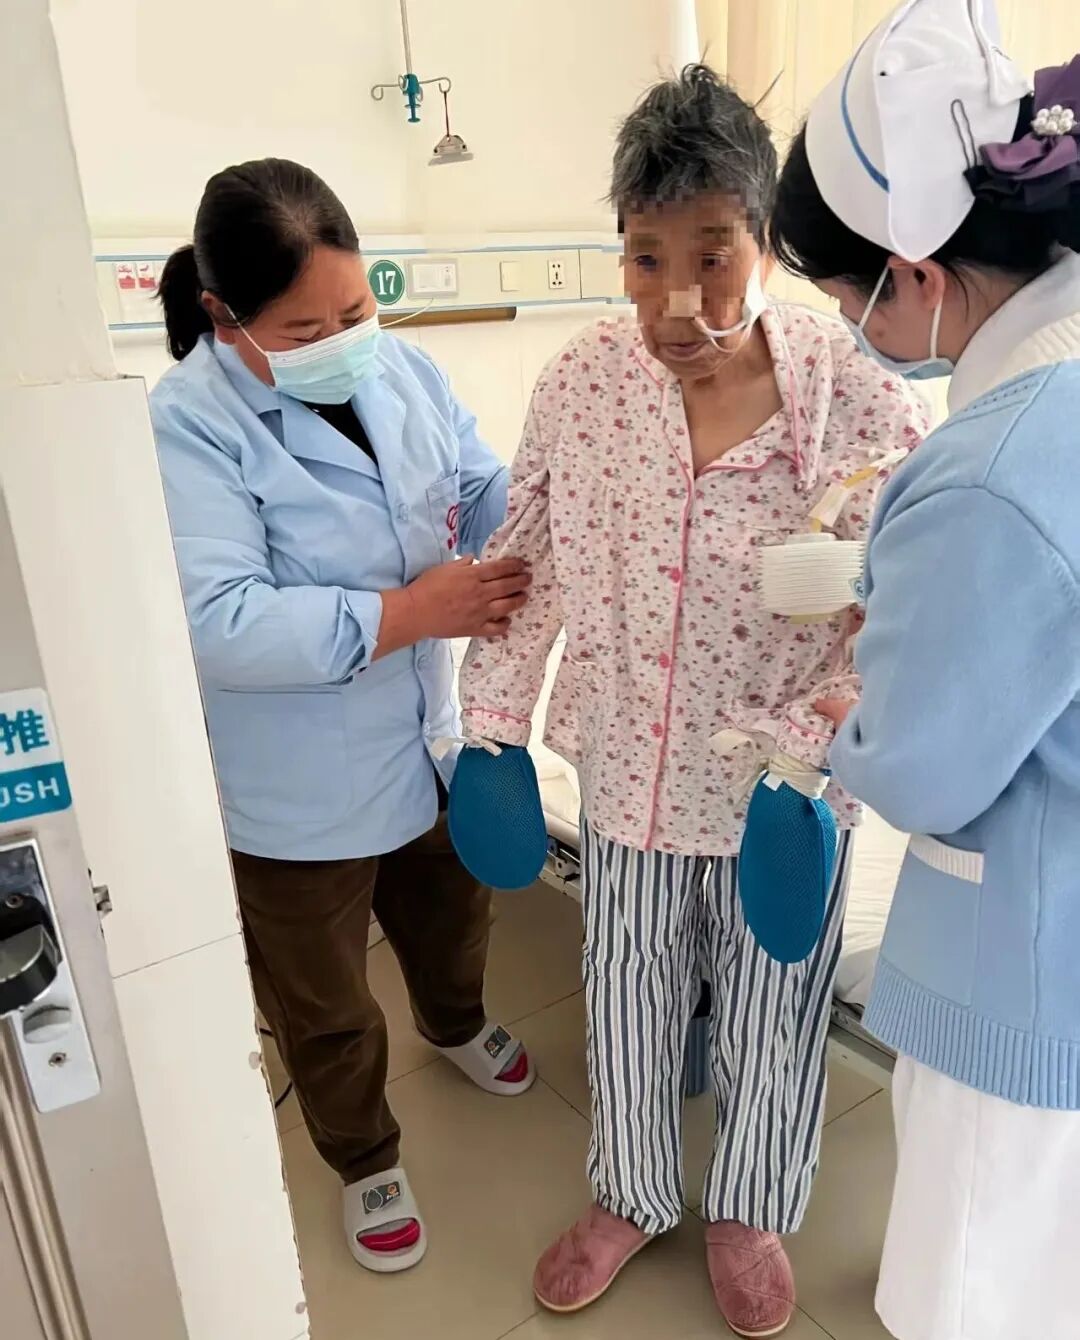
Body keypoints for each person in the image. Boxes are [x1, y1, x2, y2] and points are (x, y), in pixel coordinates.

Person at [459, 67, 928, 1336]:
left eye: (712, 258)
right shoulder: (583, 385)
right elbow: (526, 556)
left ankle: (748, 1208)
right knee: (626, 992)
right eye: (643, 258)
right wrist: (493, 725)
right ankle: (631, 1192)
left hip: (786, 786)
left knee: (778, 1005)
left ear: (765, 243)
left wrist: (822, 730)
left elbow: (905, 600)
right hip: (628, 772)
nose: (676, 301)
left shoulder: (853, 390)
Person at [150, 158, 536, 1274]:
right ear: (224, 316)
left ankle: (454, 1022)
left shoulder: (402, 368)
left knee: (453, 915)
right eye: (307, 328)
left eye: (358, 310)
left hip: (427, 738)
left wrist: (539, 511)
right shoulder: (187, 424)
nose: (343, 340)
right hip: (296, 782)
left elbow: (476, 483)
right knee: (322, 996)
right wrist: (412, 614)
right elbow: (220, 621)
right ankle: (364, 1153)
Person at [769, 2, 1080, 1337]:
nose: (847, 327)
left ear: (917, 274)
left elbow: (925, 768)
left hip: (1033, 985)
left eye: (847, 299)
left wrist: (860, 713)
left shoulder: (993, 470)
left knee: (980, 1291)